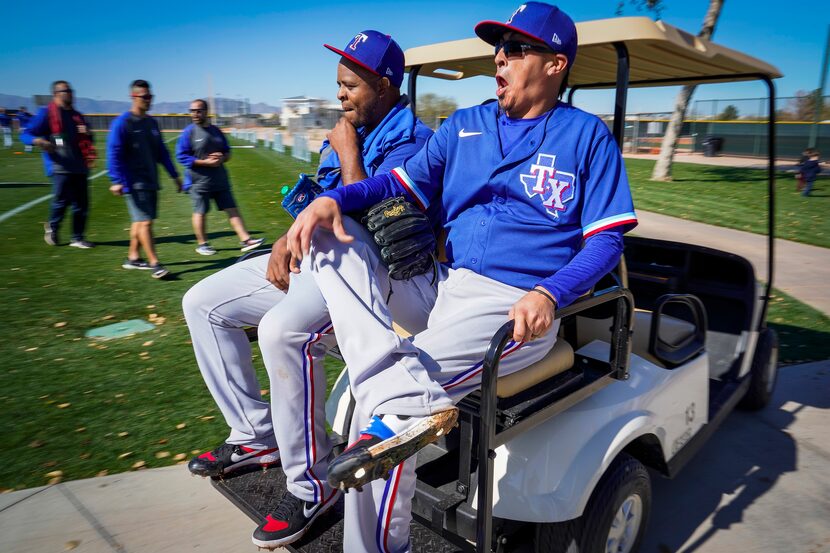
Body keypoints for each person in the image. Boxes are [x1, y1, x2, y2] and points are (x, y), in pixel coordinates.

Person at [284, 3, 639, 550]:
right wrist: (336, 198)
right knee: (330, 235)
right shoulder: (465, 124)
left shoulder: (586, 136)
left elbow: (606, 242)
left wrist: (551, 291)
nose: (501, 57)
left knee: (381, 417)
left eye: (517, 48)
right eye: (499, 47)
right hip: (444, 284)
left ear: (555, 65)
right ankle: (388, 378)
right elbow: (396, 185)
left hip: (515, 308)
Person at [181, 30, 435, 549]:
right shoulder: (349, 126)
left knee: (282, 333)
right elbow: (316, 201)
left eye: (350, 85)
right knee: (202, 303)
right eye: (338, 84)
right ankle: (255, 436)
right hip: (310, 258)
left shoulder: (416, 140)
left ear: (385, 85)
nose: (340, 94)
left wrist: (346, 154)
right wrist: (284, 239)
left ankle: (314, 486)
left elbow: (373, 226)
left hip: (364, 273)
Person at [107, 79, 182, 279]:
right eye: (145, 97)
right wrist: (116, 180)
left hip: (150, 179)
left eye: (150, 97)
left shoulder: (151, 123)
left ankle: (132, 257)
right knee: (145, 222)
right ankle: (154, 263)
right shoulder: (123, 123)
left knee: (140, 222)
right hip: (133, 182)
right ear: (134, 97)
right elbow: (114, 152)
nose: (149, 100)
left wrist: (175, 176)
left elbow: (162, 153)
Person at [175, 99, 264, 255]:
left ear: (206, 112)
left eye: (199, 110)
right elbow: (181, 156)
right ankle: (202, 244)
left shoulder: (216, 131)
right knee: (200, 212)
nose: (195, 114)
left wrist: (222, 158)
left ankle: (246, 240)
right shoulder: (189, 132)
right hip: (199, 181)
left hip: (220, 179)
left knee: (232, 209)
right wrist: (205, 162)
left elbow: (227, 151)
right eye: (192, 111)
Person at [21, 81, 97, 248]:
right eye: (66, 91)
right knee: (61, 201)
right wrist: (38, 140)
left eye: (71, 90)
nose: (70, 93)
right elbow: (26, 134)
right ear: (56, 94)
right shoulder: (46, 113)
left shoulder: (78, 116)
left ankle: (77, 237)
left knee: (82, 204)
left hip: (79, 165)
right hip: (59, 165)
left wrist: (89, 135)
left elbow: (89, 139)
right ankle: (53, 226)